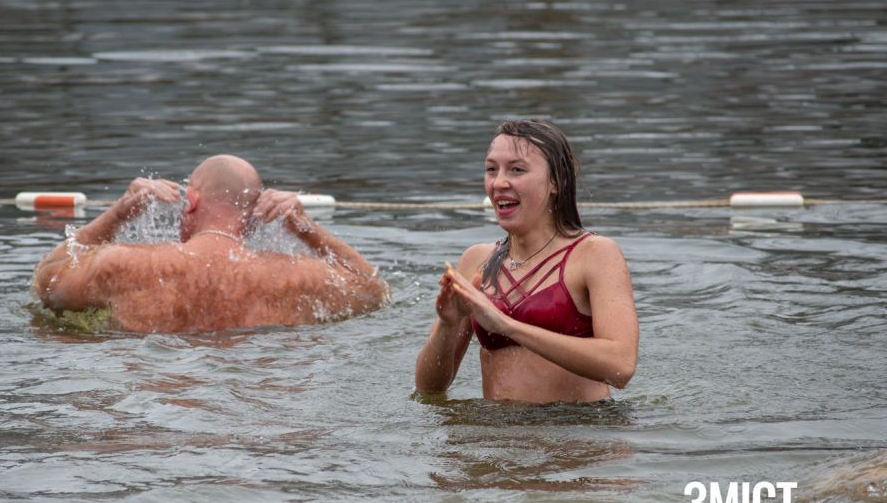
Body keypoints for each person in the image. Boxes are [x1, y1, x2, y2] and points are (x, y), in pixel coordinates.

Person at [415, 120, 638, 403]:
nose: (499, 183)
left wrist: (506, 326)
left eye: (517, 170)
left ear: (557, 181)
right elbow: (428, 389)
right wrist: (447, 325)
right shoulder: (477, 260)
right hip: (499, 434)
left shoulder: (595, 254)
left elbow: (621, 367)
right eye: (491, 169)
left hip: (580, 433)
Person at [32, 155, 388, 332]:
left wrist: (118, 213)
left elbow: (46, 283)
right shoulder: (297, 279)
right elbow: (375, 292)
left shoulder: (123, 264)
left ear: (190, 202)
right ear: (254, 215)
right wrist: (306, 228)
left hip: (157, 398)